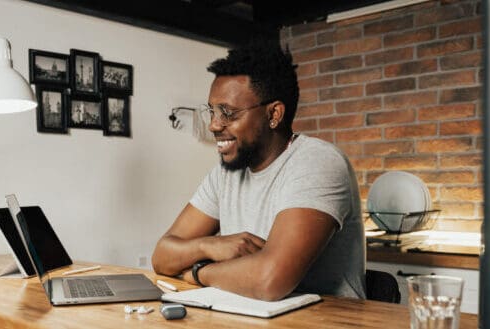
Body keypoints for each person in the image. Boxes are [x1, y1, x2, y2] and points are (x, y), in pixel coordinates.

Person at [151, 38, 366, 301]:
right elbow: (162, 256)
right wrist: (211, 244)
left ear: (274, 114)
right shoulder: (225, 174)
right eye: (212, 111)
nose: (214, 126)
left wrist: (197, 271)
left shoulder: (318, 162)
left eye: (228, 113)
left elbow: (269, 280)